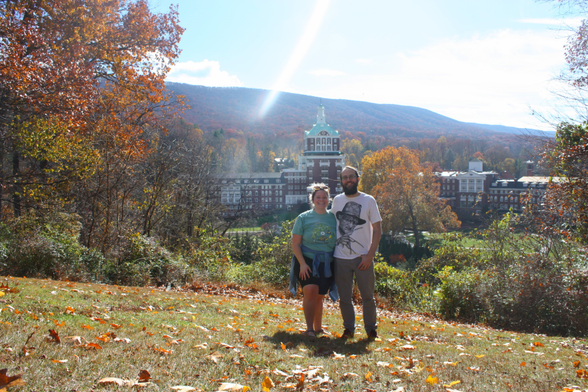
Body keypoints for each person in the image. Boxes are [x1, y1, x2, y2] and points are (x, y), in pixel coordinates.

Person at [332, 166, 382, 340]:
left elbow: (377, 229)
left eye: (351, 177)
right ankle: (349, 329)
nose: (348, 180)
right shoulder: (337, 200)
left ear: (357, 179)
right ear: (341, 181)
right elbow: (330, 225)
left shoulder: (368, 200)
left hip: (363, 258)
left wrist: (370, 255)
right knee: (344, 297)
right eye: (344, 177)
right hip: (340, 258)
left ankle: (371, 329)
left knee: (367, 296)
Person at [290, 183, 338, 337]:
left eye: (324, 197)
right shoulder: (303, 218)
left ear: (329, 199)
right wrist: (303, 264)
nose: (321, 200)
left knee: (319, 296)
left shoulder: (334, 218)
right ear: (313, 199)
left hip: (327, 263)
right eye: (318, 197)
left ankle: (318, 328)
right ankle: (309, 329)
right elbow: (296, 244)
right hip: (307, 260)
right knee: (310, 291)